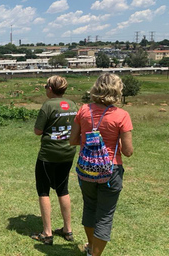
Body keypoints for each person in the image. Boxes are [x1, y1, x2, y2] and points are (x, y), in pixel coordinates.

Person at [69, 73, 134, 256]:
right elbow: (128, 152)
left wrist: (90, 141)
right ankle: (94, 254)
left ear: (96, 88)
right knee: (105, 215)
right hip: (111, 170)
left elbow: (73, 140)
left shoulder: (83, 110)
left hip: (86, 168)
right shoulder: (122, 115)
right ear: (117, 90)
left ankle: (91, 246)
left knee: (90, 207)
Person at [31, 76, 78, 245]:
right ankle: (68, 229)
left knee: (43, 191)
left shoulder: (48, 105)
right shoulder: (73, 105)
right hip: (68, 152)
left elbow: (38, 131)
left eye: (46, 86)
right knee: (63, 189)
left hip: (48, 154)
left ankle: (47, 233)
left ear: (51, 88)